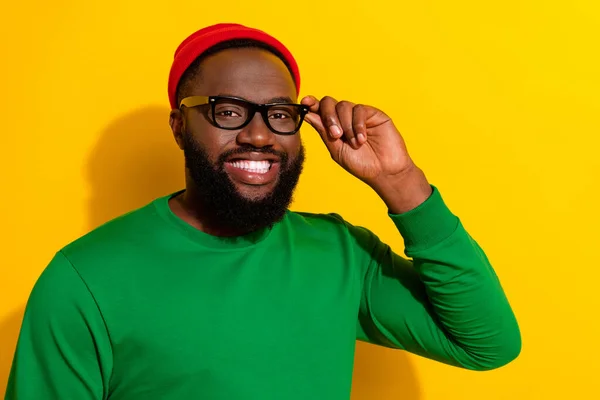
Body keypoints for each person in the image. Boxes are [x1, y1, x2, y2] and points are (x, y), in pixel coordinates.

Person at [5, 23, 521, 400]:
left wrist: (399, 182)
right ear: (179, 126)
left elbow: (487, 343)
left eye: (279, 114)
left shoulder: (340, 253)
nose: (258, 135)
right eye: (228, 111)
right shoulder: (84, 278)